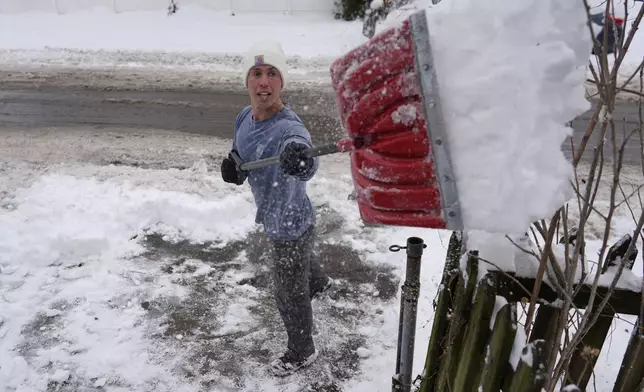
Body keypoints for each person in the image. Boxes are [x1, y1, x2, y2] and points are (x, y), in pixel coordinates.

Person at [220, 41, 332, 377]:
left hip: (289, 225)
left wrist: (299, 160)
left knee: (287, 292)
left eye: (272, 74)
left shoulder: (288, 127)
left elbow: (302, 153)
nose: (264, 82)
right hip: (283, 214)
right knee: (301, 266)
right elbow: (241, 151)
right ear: (247, 82)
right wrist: (234, 165)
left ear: (282, 82)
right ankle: (319, 282)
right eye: (257, 74)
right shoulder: (245, 115)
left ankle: (301, 351)